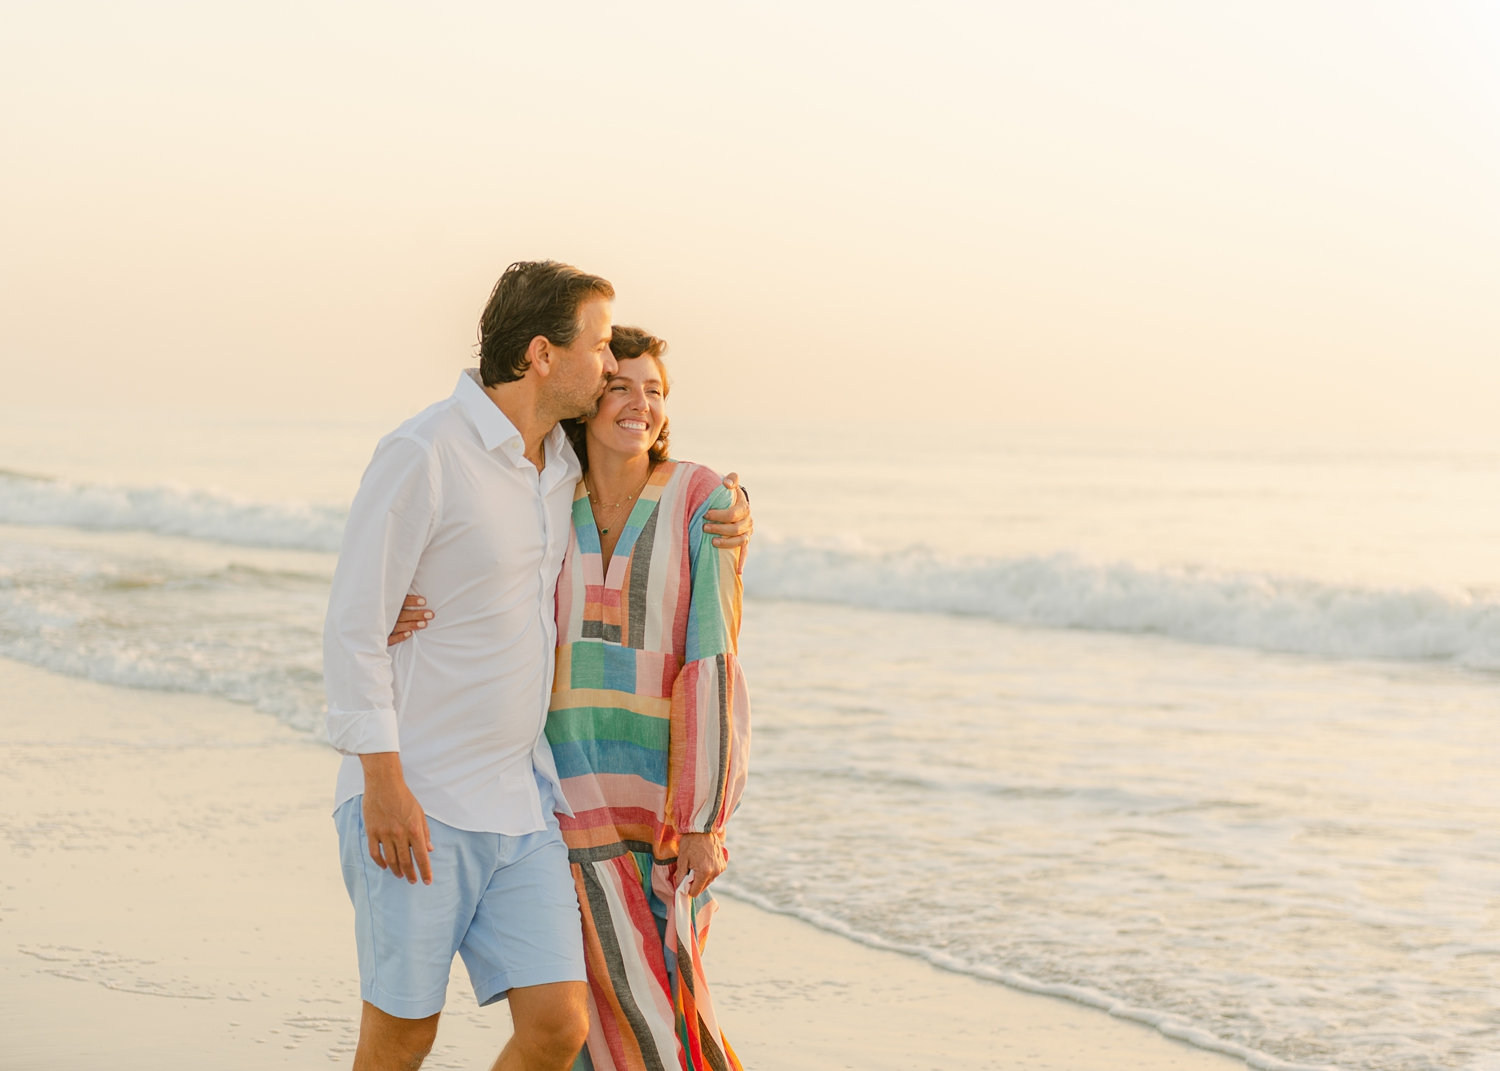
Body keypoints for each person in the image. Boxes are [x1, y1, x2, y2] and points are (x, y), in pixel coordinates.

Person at [323, 261, 751, 1071]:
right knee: (403, 1035)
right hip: (418, 793)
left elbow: (653, 497)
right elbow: (351, 620)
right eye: (596, 348)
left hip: (522, 806)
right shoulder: (425, 451)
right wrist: (382, 780)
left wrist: (735, 513)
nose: (607, 367)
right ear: (542, 355)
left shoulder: (558, 466)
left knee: (560, 1025)